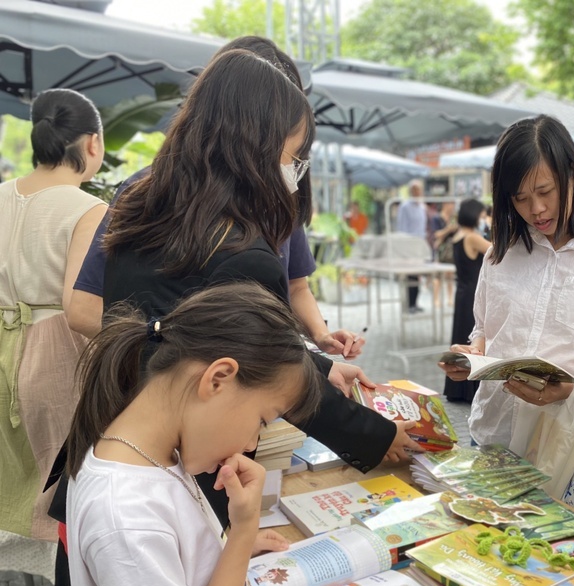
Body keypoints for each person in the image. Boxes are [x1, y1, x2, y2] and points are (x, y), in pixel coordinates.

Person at [65, 282, 322, 586]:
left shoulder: (158, 454)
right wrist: (241, 533)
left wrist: (221, 551)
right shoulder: (125, 513)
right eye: (261, 421)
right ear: (217, 378)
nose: (251, 441)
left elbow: (174, 568)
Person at [66, 36, 363, 361]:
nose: (292, 163)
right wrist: (168, 356)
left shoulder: (279, 198)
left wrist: (319, 338)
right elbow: (87, 308)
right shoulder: (145, 195)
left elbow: (296, 287)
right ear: (247, 126)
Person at [438, 114, 574, 446]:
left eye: (545, 191)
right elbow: (487, 331)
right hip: (494, 435)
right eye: (520, 198)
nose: (537, 209)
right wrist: (473, 357)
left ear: (571, 173)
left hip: (573, 446)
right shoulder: (501, 253)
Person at [0, 89, 106, 586]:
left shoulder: (0, 195)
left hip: (3, 346)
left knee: (25, 478)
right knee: (73, 488)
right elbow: (79, 308)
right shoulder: (88, 208)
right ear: (92, 143)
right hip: (57, 353)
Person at [443, 198, 491, 403]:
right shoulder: (472, 237)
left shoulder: (457, 235)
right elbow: (498, 251)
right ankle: (470, 389)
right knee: (471, 338)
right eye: (482, 216)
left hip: (462, 291)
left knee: (461, 335)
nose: (484, 220)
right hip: (473, 292)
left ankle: (458, 389)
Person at [396, 180, 428, 313]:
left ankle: (415, 303)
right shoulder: (405, 207)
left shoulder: (421, 207)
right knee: (410, 276)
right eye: (415, 190)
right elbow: (402, 227)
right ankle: (409, 304)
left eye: (419, 190)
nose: (417, 192)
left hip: (419, 245)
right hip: (409, 246)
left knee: (417, 276)